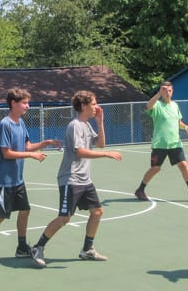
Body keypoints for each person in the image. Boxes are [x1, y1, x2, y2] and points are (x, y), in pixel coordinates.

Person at [30, 91, 122, 268]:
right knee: (64, 218)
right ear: (83, 106)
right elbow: (79, 152)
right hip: (70, 179)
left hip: (85, 179)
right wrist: (106, 155)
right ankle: (38, 247)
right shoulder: (75, 126)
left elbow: (101, 143)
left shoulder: (87, 125)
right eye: (94, 104)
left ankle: (87, 249)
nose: (96, 107)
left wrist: (100, 122)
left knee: (97, 212)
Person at [0, 88, 61, 268]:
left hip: (17, 180)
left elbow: (27, 146)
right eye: (24, 103)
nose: (27, 106)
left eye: (27, 103)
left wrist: (45, 144)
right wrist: (30, 156)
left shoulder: (20, 123)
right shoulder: (5, 124)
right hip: (3, 181)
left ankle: (22, 246)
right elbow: (6, 153)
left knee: (25, 210)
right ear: (13, 103)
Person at [134, 81, 188, 203]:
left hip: (175, 143)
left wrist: (185, 126)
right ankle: (140, 190)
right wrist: (158, 94)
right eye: (165, 90)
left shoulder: (175, 106)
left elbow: (178, 122)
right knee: (155, 168)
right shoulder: (157, 105)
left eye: (170, 90)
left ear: (172, 91)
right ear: (161, 91)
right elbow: (148, 106)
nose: (168, 93)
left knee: (183, 165)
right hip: (160, 144)